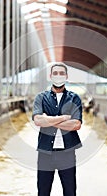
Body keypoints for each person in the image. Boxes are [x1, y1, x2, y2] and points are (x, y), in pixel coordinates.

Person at [32, 62, 83, 196]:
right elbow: (38, 120)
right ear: (50, 76)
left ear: (66, 76)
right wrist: (64, 118)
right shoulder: (41, 98)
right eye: (55, 73)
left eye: (61, 73)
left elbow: (76, 124)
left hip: (67, 153)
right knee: (43, 191)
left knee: (70, 191)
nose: (58, 76)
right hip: (45, 153)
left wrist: (48, 120)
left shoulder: (74, 98)